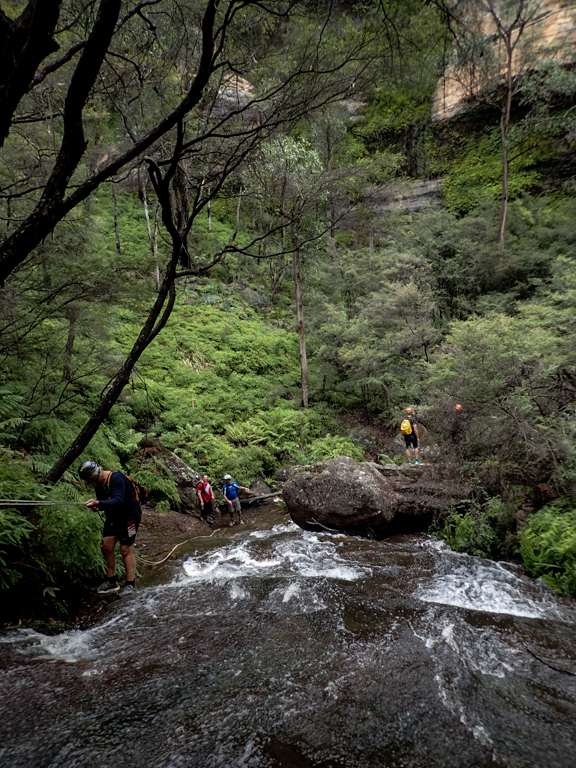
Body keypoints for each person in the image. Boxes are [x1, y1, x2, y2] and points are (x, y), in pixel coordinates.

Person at [79, 460, 142, 595]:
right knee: (106, 547)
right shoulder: (99, 484)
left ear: (94, 476)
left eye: (88, 480)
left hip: (129, 517)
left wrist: (98, 503)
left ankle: (130, 584)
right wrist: (98, 506)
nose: (88, 483)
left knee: (125, 549)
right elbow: (106, 502)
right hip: (113, 517)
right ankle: (111, 581)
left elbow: (118, 501)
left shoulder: (116, 479)